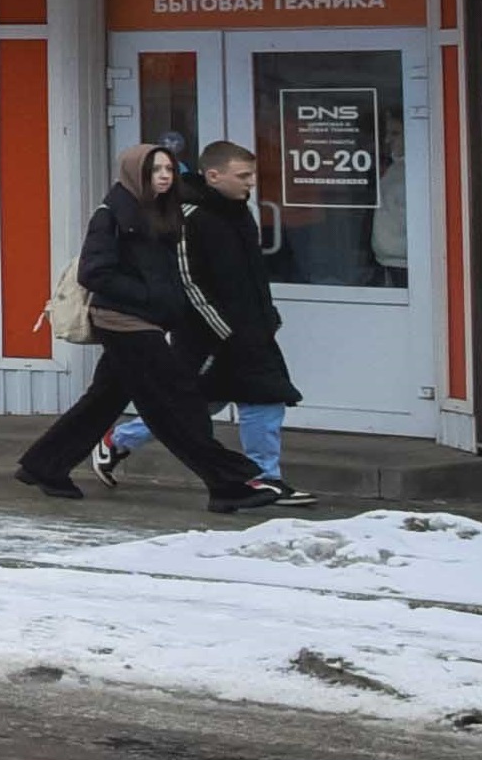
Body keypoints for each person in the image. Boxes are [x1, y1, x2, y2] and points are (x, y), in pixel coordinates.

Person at [21, 142, 277, 511]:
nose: (163, 176)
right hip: (125, 322)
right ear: (134, 173)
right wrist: (148, 296)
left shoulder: (163, 212)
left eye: (169, 170)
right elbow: (95, 272)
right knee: (176, 403)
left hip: (148, 321)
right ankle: (229, 484)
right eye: (154, 170)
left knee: (104, 401)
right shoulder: (112, 214)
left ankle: (43, 465)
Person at [108, 141, 296, 491]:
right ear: (213, 175)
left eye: (251, 175)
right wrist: (225, 330)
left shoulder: (241, 212)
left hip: (253, 330)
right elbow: (189, 282)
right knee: (192, 404)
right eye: (243, 175)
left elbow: (252, 272)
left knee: (266, 396)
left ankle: (263, 476)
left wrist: (267, 315)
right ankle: (118, 440)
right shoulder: (188, 217)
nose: (251, 182)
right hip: (208, 336)